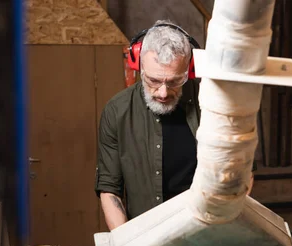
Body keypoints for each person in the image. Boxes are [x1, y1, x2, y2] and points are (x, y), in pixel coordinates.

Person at [95, 20, 254, 231]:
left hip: (208, 231)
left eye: (174, 81)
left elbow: (243, 174)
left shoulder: (215, 105)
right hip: (145, 235)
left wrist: (223, 228)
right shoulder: (117, 111)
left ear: (189, 70)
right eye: (153, 80)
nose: (163, 92)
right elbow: (110, 189)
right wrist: (125, 245)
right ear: (138, 66)